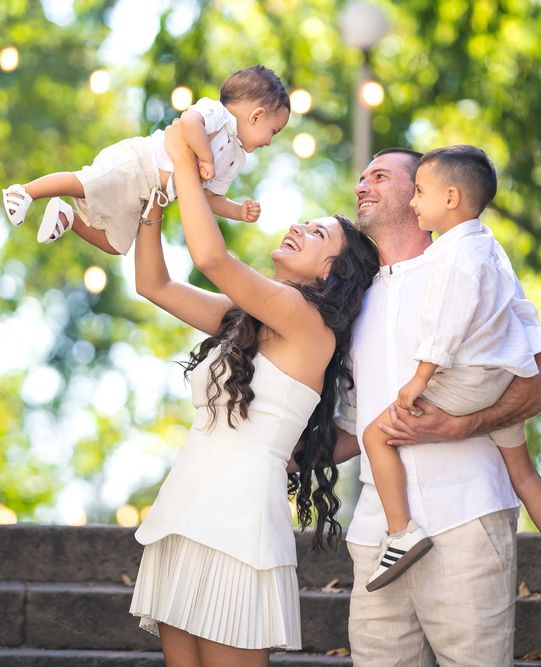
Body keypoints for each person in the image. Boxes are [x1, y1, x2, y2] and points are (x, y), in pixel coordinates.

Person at [127, 121, 379, 666]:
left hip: (237, 518)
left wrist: (183, 154)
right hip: (184, 506)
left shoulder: (308, 323)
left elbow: (213, 259)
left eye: (315, 234)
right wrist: (156, 195)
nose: (297, 228)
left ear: (330, 272)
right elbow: (154, 285)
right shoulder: (245, 319)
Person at [335, 147, 541, 666]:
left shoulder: (474, 269)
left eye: (380, 176)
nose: (362, 185)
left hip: (465, 517)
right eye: (360, 177)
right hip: (378, 538)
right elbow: (356, 428)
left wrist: (463, 424)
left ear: (429, 191)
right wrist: (282, 456)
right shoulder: (355, 301)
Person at [0, 65, 289, 255]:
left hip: (149, 197)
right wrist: (205, 158)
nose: (269, 141)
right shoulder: (217, 114)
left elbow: (209, 197)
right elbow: (189, 122)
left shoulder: (236, 160)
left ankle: (68, 217)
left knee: (117, 245)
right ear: (257, 115)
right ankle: (25, 191)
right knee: (84, 182)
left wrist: (238, 211)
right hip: (139, 163)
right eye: (273, 131)